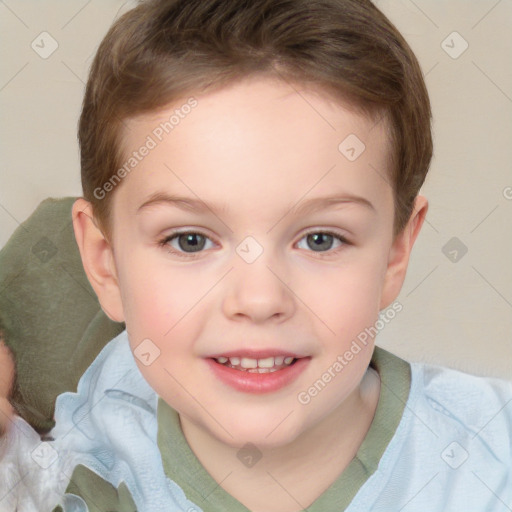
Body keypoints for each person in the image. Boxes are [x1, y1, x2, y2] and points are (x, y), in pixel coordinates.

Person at [1, 0, 511, 510]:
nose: (260, 299)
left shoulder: (490, 464)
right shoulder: (76, 455)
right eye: (190, 240)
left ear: (397, 252)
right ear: (104, 263)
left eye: (320, 239)